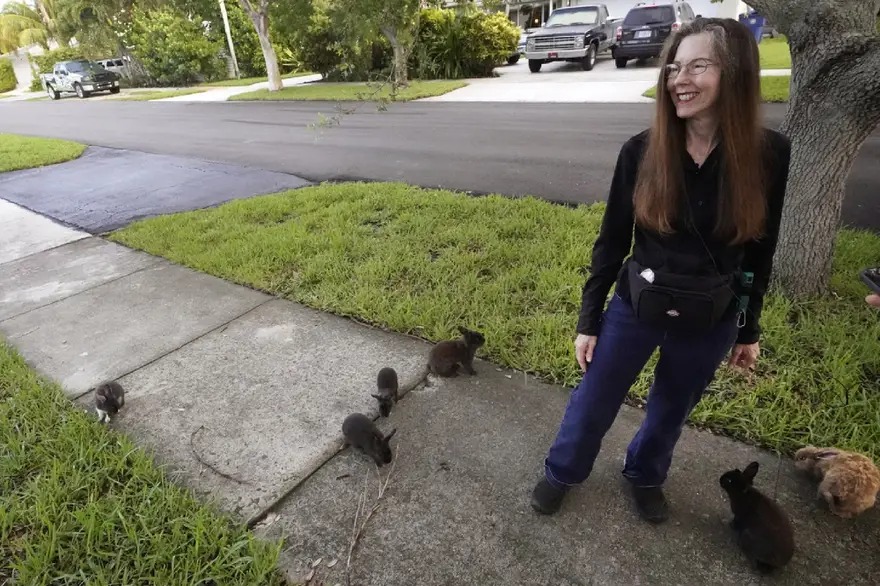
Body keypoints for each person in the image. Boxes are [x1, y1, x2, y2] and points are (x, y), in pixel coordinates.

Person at [530, 17, 792, 524]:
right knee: (595, 397)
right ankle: (563, 470)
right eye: (674, 67)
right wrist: (590, 319)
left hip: (711, 315)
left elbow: (761, 250)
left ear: (735, 73)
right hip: (638, 303)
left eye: (698, 66)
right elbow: (610, 241)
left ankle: (645, 474)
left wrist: (748, 328)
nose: (679, 79)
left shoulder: (769, 155)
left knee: (672, 408)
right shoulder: (641, 151)